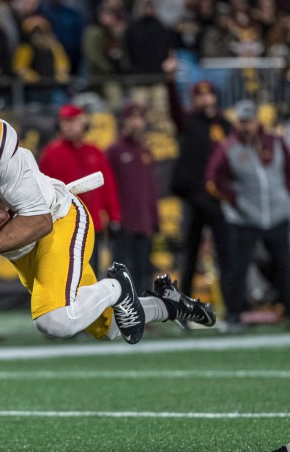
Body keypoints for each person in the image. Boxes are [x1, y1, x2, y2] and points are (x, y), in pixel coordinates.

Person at [0, 78, 217, 347]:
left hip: (58, 217)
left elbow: (37, 218)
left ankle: (116, 284)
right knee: (107, 326)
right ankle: (169, 304)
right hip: (20, 249)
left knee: (54, 320)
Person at [205, 99, 290, 332]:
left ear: (256, 120)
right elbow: (213, 180)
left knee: (284, 265)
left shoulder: (274, 142)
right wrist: (235, 201)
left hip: (278, 213)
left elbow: (287, 172)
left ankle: (288, 310)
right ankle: (234, 314)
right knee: (238, 267)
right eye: (242, 121)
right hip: (245, 217)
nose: (246, 126)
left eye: (249, 121)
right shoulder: (228, 147)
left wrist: (286, 199)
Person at [163, 55, 233, 315]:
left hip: (216, 198)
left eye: (209, 95)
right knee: (190, 254)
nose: (206, 100)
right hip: (194, 196)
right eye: (201, 96)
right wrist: (170, 81)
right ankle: (184, 309)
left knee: (226, 253)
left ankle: (233, 307)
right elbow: (175, 111)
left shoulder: (224, 125)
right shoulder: (189, 121)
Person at [38, 103, 121, 275]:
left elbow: (108, 187)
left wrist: (114, 217)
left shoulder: (94, 152)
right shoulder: (52, 153)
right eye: (65, 121)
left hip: (92, 225)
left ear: (83, 123)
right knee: (66, 275)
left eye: (73, 121)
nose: (69, 126)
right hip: (63, 226)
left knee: (91, 272)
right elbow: (42, 190)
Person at [106, 101, 160, 294]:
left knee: (143, 270)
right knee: (122, 272)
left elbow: (151, 189)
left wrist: (154, 218)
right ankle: (122, 315)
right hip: (123, 223)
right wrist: (113, 217)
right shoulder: (114, 151)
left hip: (144, 222)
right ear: (124, 121)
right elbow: (109, 188)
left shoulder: (145, 151)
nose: (136, 123)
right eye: (132, 118)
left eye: (140, 118)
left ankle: (142, 314)